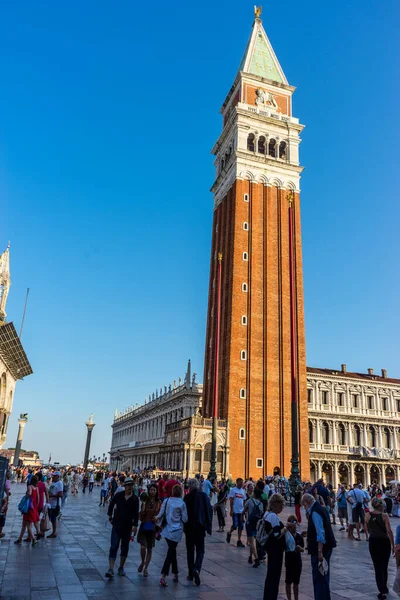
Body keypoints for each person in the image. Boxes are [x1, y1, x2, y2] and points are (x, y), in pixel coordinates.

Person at [301, 492, 336, 600]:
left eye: (304, 505)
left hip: (320, 549)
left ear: (307, 502)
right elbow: (321, 527)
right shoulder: (320, 508)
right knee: (324, 576)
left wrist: (319, 551)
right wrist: (309, 533)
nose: (304, 508)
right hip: (327, 546)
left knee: (319, 577)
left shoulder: (315, 512)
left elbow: (321, 533)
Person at [105, 477, 139, 579]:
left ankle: (121, 567)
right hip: (117, 524)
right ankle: (111, 569)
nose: (130, 487)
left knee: (125, 547)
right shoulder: (119, 495)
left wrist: (135, 525)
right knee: (114, 546)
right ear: (125, 486)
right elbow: (111, 504)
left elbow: (136, 513)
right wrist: (110, 516)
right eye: (128, 485)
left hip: (127, 526)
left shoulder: (135, 499)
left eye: (131, 485)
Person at [158, 483, 188, 587]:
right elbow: (185, 519)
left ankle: (175, 573)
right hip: (177, 531)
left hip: (167, 530)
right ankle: (163, 576)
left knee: (172, 551)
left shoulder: (166, 501)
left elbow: (160, 514)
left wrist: (156, 519)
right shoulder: (182, 504)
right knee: (170, 552)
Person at [184, 478, 212, 585]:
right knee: (200, 550)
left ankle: (191, 573)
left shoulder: (187, 497)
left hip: (189, 528)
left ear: (190, 487)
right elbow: (208, 510)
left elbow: (184, 513)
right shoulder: (204, 496)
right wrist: (207, 524)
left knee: (190, 551)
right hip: (200, 527)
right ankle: (197, 569)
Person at [365, 496, 394, 600]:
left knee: (377, 566)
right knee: (384, 565)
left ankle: (381, 589)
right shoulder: (384, 516)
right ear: (381, 505)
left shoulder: (367, 515)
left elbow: (367, 528)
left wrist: (370, 535)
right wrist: (393, 545)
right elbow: (389, 531)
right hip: (384, 541)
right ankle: (384, 587)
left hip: (373, 541)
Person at [263, 493, 286, 599]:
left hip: (270, 549)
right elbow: (277, 534)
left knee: (270, 575)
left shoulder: (267, 514)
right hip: (276, 550)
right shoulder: (273, 517)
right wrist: (286, 528)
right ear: (276, 504)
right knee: (275, 576)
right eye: (281, 505)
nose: (282, 508)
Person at [137, 483, 161, 577]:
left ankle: (146, 568)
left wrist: (157, 518)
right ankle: (143, 562)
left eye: (154, 490)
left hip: (152, 527)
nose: (153, 492)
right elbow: (141, 515)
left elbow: (160, 514)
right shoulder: (145, 500)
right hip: (144, 526)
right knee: (143, 547)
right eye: (151, 490)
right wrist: (143, 506)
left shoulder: (158, 502)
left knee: (150, 548)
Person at [15, 475, 40, 546]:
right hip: (33, 508)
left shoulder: (30, 487)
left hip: (28, 509)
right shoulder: (37, 488)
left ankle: (33, 539)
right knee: (24, 524)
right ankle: (20, 539)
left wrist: (26, 496)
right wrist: (35, 506)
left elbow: (29, 494)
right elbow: (38, 499)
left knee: (28, 525)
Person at [243, 486, 264, 567]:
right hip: (257, 524)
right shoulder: (261, 504)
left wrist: (242, 517)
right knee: (253, 541)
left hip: (250, 523)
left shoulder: (249, 501)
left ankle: (256, 558)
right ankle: (250, 556)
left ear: (254, 494)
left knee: (251, 542)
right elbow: (261, 514)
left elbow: (244, 510)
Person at [285, 515, 304, 600]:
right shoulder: (286, 536)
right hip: (289, 561)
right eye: (292, 523)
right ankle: (289, 598)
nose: (294, 525)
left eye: (295, 523)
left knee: (296, 583)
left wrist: (300, 549)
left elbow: (303, 549)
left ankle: (296, 598)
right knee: (288, 582)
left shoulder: (299, 536)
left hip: (297, 562)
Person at [226, 478, 247, 548]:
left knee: (241, 526)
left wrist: (244, 511)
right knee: (235, 525)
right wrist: (231, 510)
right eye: (240, 482)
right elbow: (231, 500)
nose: (241, 484)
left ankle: (239, 540)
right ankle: (229, 533)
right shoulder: (233, 490)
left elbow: (244, 501)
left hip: (241, 511)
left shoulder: (243, 491)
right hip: (235, 510)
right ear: (237, 482)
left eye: (242, 482)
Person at [47, 472, 64, 538]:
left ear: (57, 477)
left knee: (53, 518)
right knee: (51, 518)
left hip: (55, 504)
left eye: (54, 476)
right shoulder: (53, 483)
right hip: (50, 503)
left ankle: (54, 532)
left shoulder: (59, 483)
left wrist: (51, 495)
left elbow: (60, 494)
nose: (53, 477)